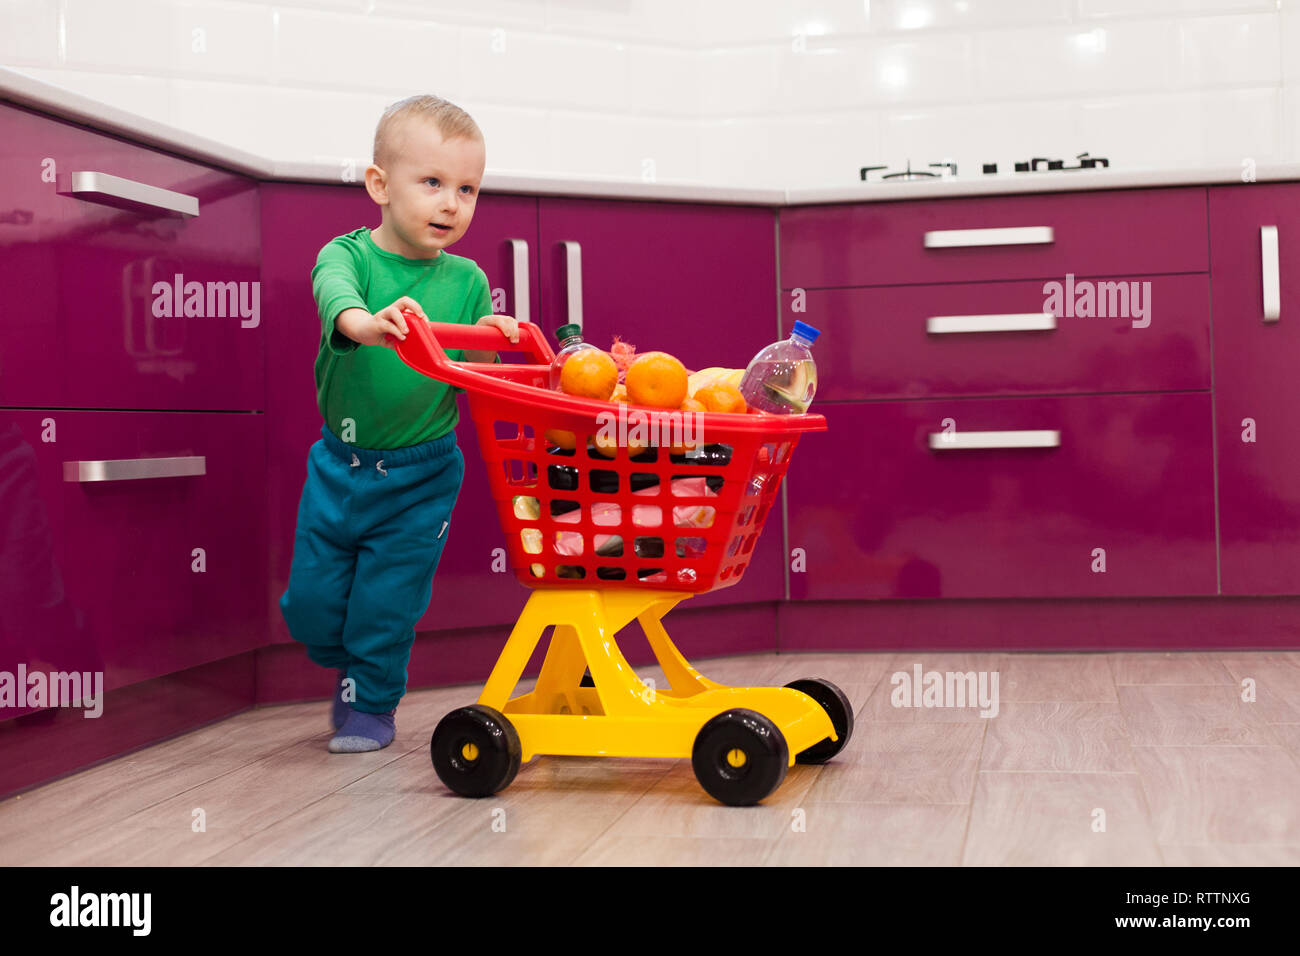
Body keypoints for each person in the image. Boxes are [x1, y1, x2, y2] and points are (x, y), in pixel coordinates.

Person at [280, 94, 519, 753]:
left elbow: (477, 371)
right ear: (380, 186)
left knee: (386, 604)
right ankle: (347, 662)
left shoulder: (467, 277)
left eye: (467, 189)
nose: (451, 204)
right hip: (339, 469)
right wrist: (366, 325)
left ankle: (370, 706)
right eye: (434, 183)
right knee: (311, 607)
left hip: (422, 475)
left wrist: (496, 335)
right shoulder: (347, 256)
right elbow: (337, 300)